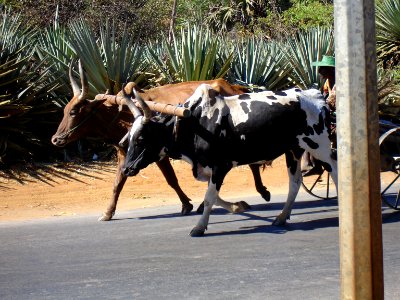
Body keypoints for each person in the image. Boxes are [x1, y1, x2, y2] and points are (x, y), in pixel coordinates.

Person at [302, 55, 336, 176]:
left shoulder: (339, 83)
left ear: (331, 70)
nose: (319, 71)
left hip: (337, 116)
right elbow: (323, 98)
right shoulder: (328, 83)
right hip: (328, 114)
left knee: (314, 133)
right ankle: (313, 163)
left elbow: (330, 102)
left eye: (322, 68)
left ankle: (314, 163)